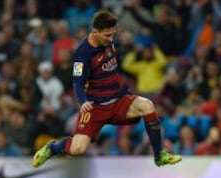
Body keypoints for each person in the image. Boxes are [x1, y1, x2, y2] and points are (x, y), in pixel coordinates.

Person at [32, 10, 182, 168]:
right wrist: (83, 101)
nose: (111, 39)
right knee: (78, 148)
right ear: (95, 32)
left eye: (113, 34)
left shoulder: (109, 41)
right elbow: (77, 82)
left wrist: (129, 42)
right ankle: (52, 148)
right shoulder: (82, 55)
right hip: (95, 107)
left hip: (119, 99)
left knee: (147, 106)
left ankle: (159, 155)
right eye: (107, 35)